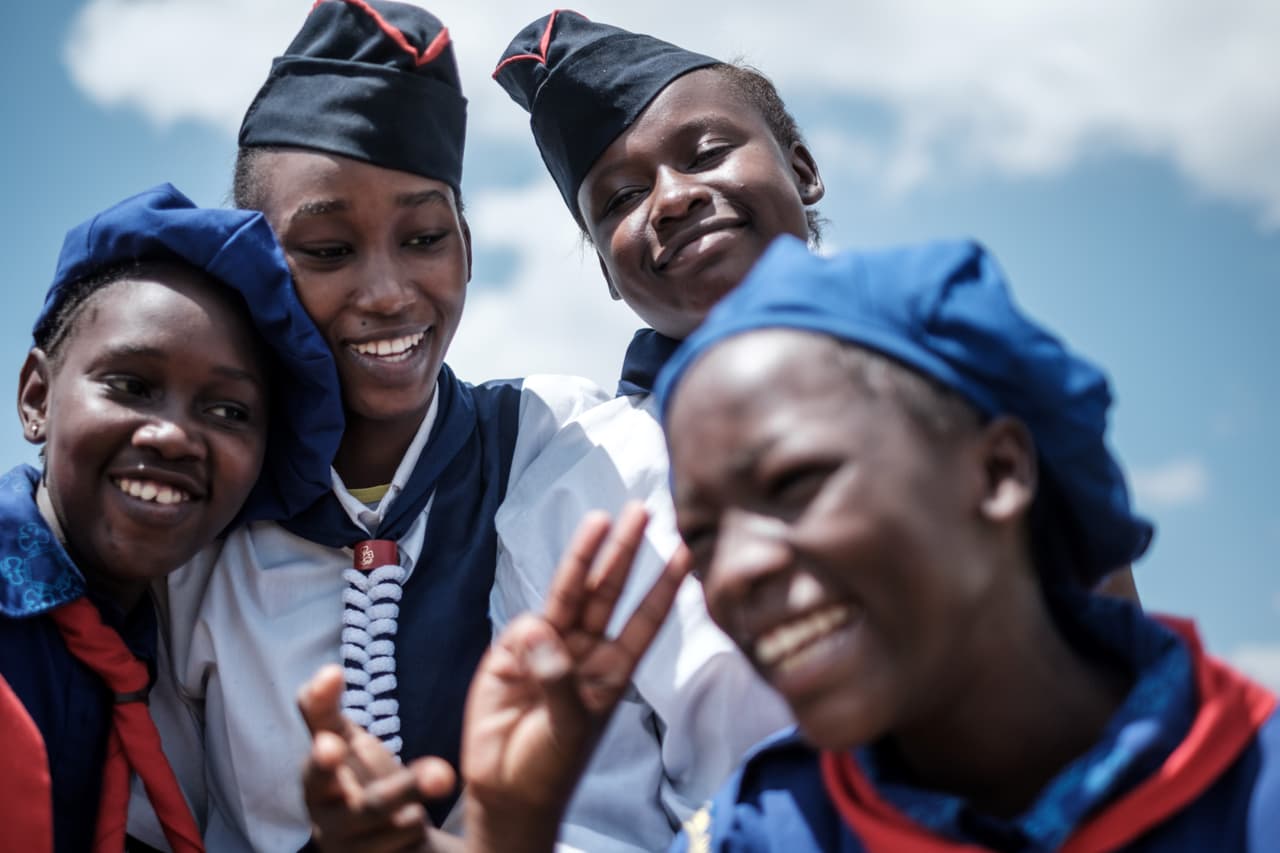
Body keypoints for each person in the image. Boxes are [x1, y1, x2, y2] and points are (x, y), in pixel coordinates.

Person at [457, 236, 1280, 852]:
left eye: (795, 484)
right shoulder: (768, 824)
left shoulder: (1254, 789)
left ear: (996, 471)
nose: (737, 571)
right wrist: (514, 828)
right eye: (701, 534)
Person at [134, 3, 607, 851]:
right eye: (326, 249)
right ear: (257, 268)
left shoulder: (558, 448)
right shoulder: (198, 528)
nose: (387, 291)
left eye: (424, 235)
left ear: (464, 244)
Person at [484, 12, 822, 849]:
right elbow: (595, 827)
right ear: (605, 267)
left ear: (803, 168)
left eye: (706, 152)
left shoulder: (958, 356)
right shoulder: (580, 495)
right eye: (623, 198)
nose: (672, 198)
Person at [0, 183, 341, 853]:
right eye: (130, 385)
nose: (173, 436)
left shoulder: (167, 648)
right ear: (38, 397)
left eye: (228, 411)